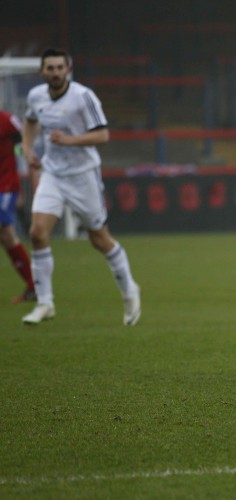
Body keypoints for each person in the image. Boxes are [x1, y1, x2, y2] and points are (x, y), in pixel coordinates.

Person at [20, 47, 141, 325]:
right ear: (42, 72)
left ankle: (129, 289)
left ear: (68, 69)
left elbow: (103, 135)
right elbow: (29, 122)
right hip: (53, 173)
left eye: (59, 67)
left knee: (99, 239)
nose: (54, 73)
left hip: (83, 175)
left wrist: (68, 140)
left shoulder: (83, 97)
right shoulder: (36, 96)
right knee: (37, 233)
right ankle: (44, 302)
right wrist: (27, 150)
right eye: (49, 68)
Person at [0, 109, 36, 303]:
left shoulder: (7, 120)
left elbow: (24, 137)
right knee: (7, 237)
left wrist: (27, 155)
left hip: (4, 186)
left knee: (5, 231)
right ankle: (33, 286)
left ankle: (34, 285)